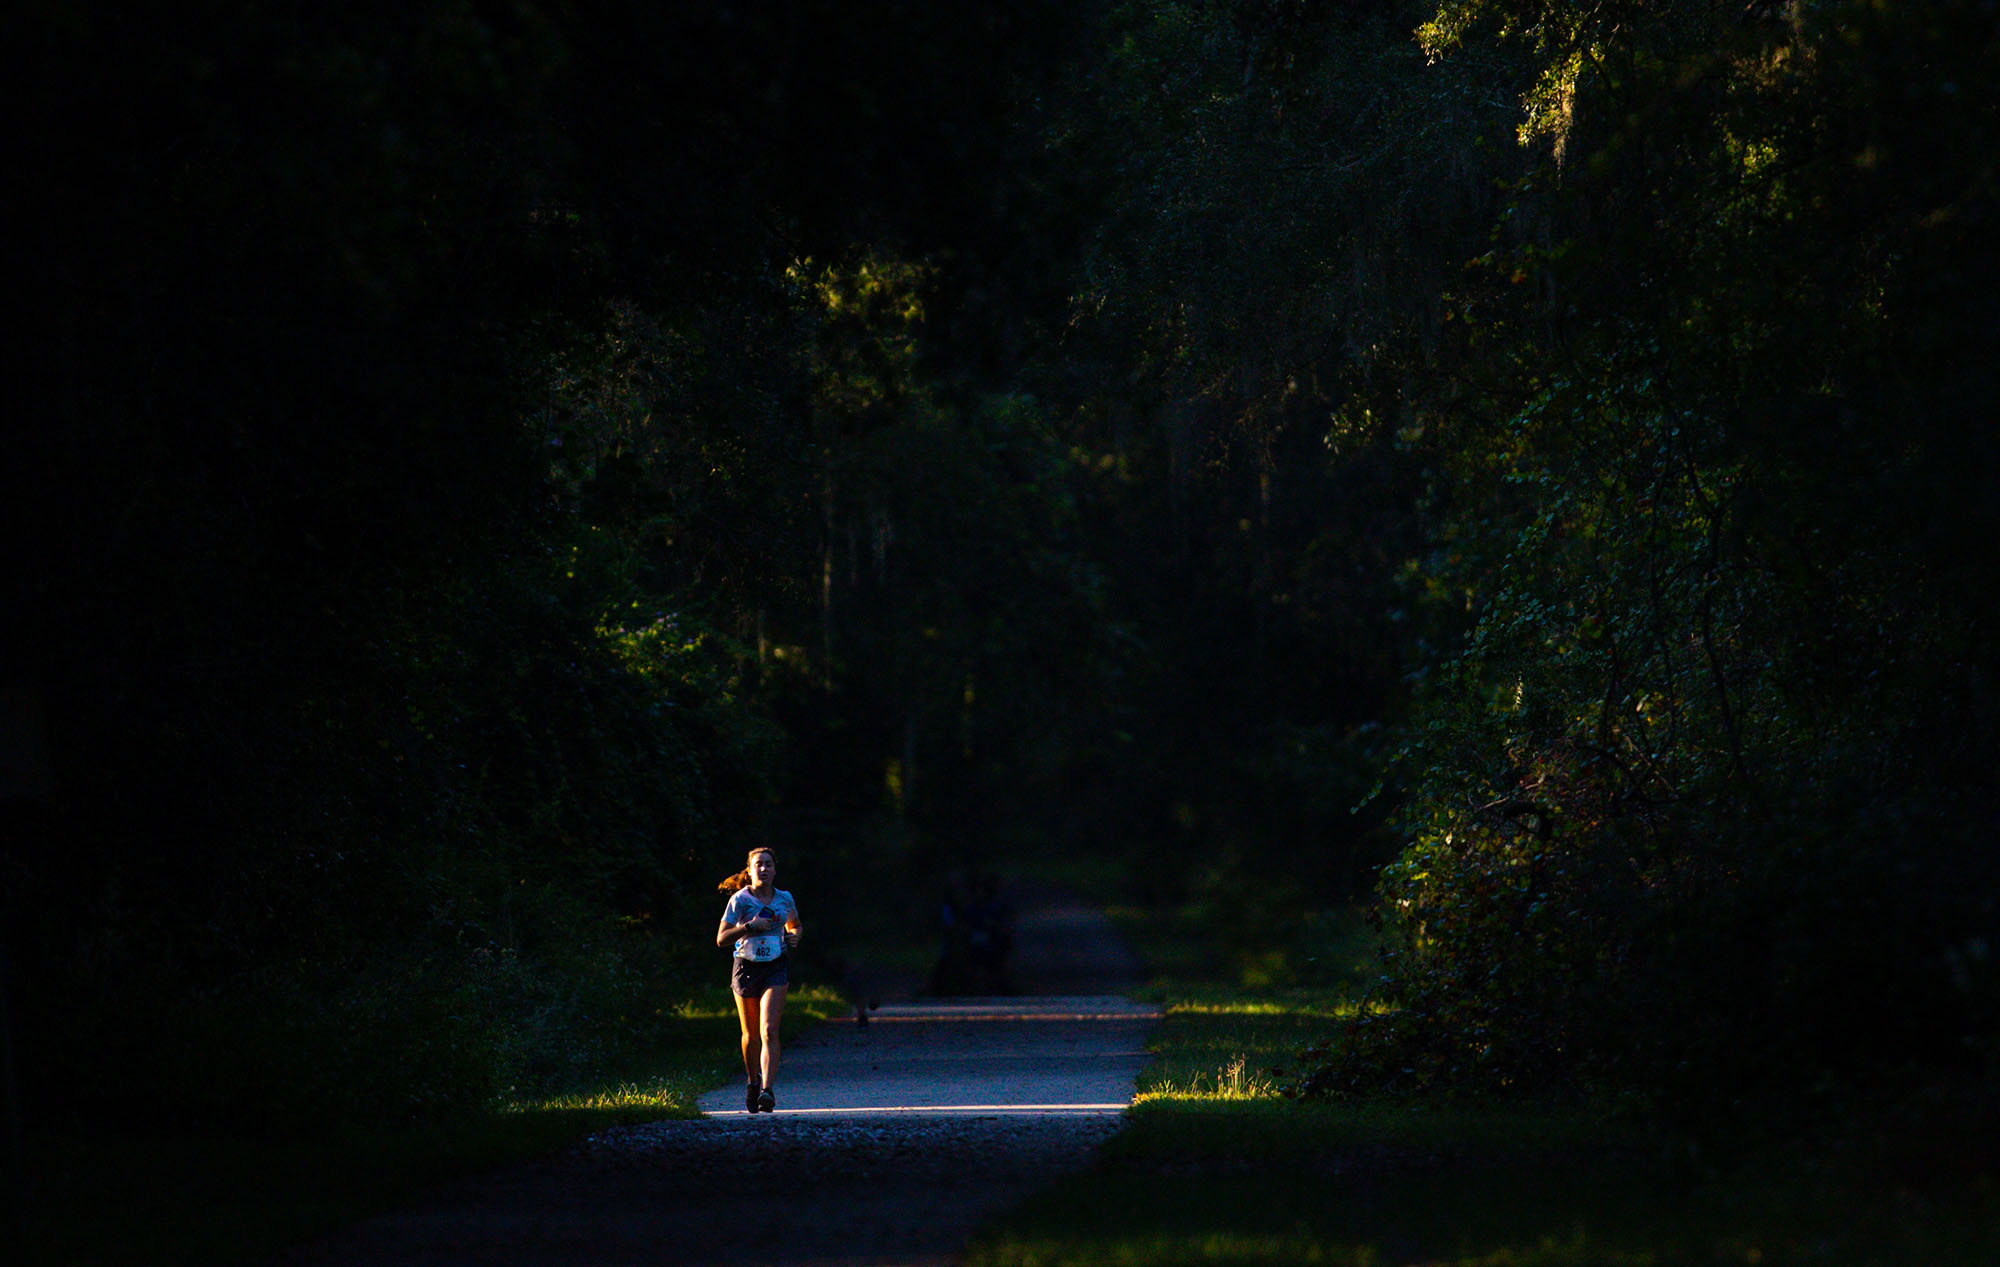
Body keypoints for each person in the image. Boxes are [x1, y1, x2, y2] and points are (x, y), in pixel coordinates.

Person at [715, 846, 801, 1113]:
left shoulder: (784, 898)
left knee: (769, 1031)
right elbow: (721, 939)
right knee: (751, 1035)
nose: (763, 869)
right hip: (745, 967)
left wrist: (795, 936)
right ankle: (753, 1081)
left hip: (775, 966)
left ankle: (768, 1091)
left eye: (768, 864)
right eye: (758, 865)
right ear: (750, 870)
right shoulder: (740, 901)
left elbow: (794, 924)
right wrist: (749, 927)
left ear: (775, 870)